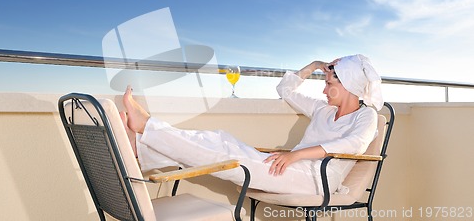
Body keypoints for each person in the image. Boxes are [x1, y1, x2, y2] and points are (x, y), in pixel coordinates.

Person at [120, 54, 383, 195]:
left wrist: (296, 155)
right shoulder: (323, 110)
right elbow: (285, 89)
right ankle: (141, 143)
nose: (324, 90)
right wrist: (314, 65)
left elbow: (353, 145)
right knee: (222, 140)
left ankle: (144, 131)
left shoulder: (366, 116)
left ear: (349, 87)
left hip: (315, 179)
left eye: (330, 84)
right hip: (290, 167)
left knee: (228, 154)